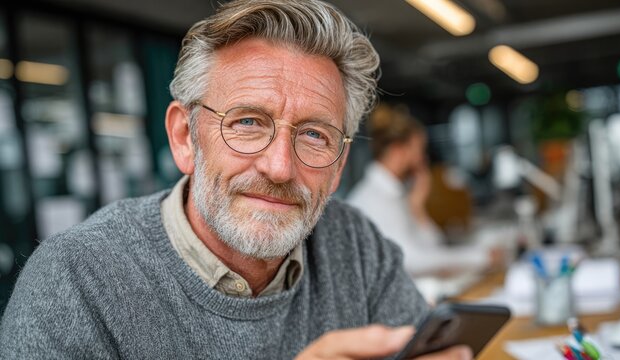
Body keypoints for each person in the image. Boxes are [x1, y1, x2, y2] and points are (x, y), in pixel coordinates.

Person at [0, 1, 472, 359]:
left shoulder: (356, 245)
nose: (280, 167)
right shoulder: (77, 279)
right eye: (247, 123)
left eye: (313, 134)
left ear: (339, 164)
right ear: (186, 138)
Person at [347, 104, 498, 277]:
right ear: (398, 150)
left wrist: (418, 208)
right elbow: (411, 260)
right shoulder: (372, 200)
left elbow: (434, 247)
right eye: (418, 149)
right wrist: (480, 257)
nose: (422, 159)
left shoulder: (399, 194)